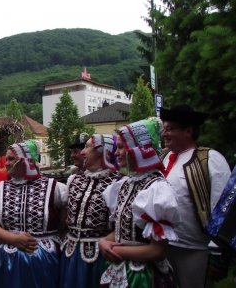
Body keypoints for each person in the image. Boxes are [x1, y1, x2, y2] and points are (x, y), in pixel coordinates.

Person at [99, 118, 179, 287]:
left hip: (143, 275)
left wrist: (115, 250)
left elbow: (157, 250)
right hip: (119, 269)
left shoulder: (157, 189)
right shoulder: (123, 185)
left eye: (121, 147)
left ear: (138, 150)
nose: (116, 153)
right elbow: (122, 229)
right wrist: (104, 241)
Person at [160, 104, 231, 288]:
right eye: (164, 129)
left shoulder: (209, 159)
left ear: (188, 131)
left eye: (170, 129)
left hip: (195, 250)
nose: (164, 134)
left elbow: (223, 208)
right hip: (163, 248)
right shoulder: (165, 158)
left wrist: (218, 253)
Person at [0, 140, 66, 288]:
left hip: (44, 262)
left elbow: (66, 221)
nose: (6, 163)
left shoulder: (56, 188)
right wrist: (13, 239)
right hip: (6, 260)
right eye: (6, 159)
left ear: (26, 160)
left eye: (11, 159)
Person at [60, 134, 120, 288]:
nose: (82, 152)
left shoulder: (117, 183)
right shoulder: (74, 180)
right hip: (71, 253)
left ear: (101, 151)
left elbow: (121, 224)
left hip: (100, 255)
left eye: (87, 147)